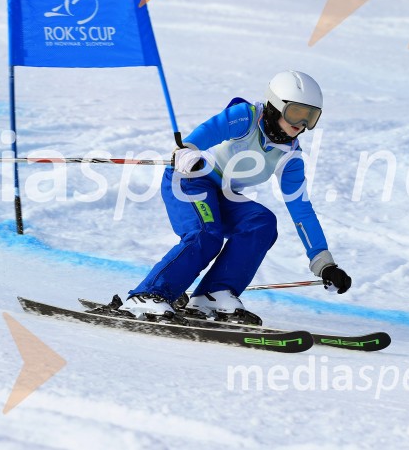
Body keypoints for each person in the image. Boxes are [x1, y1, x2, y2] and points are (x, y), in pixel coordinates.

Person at [119, 71, 352, 323]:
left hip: (223, 195)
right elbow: (206, 132)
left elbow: (301, 210)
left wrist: (323, 262)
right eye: (296, 112)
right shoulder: (246, 117)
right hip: (189, 178)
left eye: (311, 116)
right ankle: (148, 294)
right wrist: (187, 150)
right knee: (206, 233)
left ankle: (214, 293)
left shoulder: (290, 156)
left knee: (261, 222)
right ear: (276, 105)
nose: (302, 123)